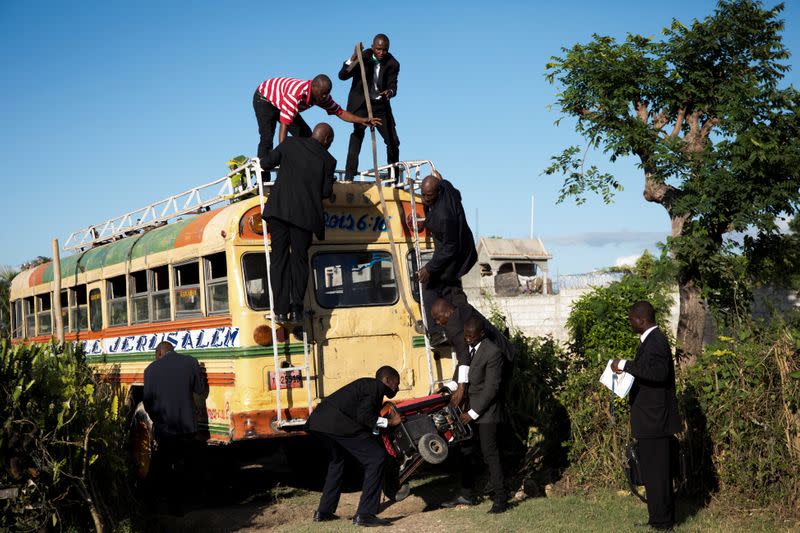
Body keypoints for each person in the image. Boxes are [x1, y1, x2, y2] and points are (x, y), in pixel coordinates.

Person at [611, 301, 682, 531]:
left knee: (659, 474)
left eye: (631, 319)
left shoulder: (656, 341)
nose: (630, 323)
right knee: (651, 473)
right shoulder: (650, 341)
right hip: (649, 420)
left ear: (641, 320)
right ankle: (656, 518)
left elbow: (659, 374)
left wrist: (626, 364)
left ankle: (663, 522)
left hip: (656, 420)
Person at [306, 366, 403, 527]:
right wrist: (389, 422)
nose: (397, 388)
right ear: (386, 380)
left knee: (337, 462)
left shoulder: (365, 386)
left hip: (319, 422)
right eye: (396, 383)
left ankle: (324, 512)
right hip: (337, 423)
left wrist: (379, 424)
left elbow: (363, 416)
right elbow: (364, 416)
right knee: (376, 457)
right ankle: (365, 514)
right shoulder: (376, 386)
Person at [261, 122, 337, 324]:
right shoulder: (329, 161)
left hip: (279, 211)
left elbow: (266, 163)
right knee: (300, 260)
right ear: (327, 140)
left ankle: (279, 310)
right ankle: (297, 309)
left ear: (314, 133)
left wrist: (264, 149)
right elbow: (325, 192)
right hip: (305, 217)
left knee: (279, 259)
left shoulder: (290, 144)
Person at [442, 316, 508, 513]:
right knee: (466, 452)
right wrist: (448, 389)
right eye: (465, 335)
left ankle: (501, 498)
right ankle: (466, 494)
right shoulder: (468, 349)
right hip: (467, 411)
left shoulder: (493, 353)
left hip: (486, 412)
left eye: (471, 336)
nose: (467, 339)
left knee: (490, 454)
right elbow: (460, 375)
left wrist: (471, 413)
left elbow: (491, 389)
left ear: (481, 334)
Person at [253, 74, 381, 169]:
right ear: (313, 87)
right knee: (267, 136)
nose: (325, 97)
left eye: (327, 93)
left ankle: (311, 168)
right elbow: (284, 126)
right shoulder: (296, 95)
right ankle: (263, 175)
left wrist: (362, 120)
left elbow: (340, 112)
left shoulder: (322, 97)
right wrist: (284, 153)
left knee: (306, 134)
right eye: (323, 93)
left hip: (282, 100)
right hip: (265, 98)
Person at [143, 341, 209, 514]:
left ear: (159, 353)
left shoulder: (150, 370)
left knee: (166, 465)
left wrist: (158, 420)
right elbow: (200, 389)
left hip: (165, 427)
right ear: (172, 350)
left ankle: (170, 506)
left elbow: (148, 403)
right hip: (188, 426)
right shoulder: (190, 362)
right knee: (187, 462)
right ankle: (192, 501)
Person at [417, 174, 478, 342]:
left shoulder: (444, 216)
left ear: (437, 192)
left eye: (429, 196)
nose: (425, 199)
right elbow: (453, 190)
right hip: (457, 249)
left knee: (429, 286)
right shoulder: (446, 188)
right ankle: (464, 321)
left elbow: (449, 248)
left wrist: (429, 268)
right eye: (422, 194)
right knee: (451, 289)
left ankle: (437, 333)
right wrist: (426, 223)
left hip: (456, 255)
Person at [429, 297, 513, 409]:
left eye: (438, 318)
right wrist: (454, 384)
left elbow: (464, 356)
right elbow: (465, 357)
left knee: (491, 403)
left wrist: (461, 388)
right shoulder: (461, 308)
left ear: (448, 312)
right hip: (505, 353)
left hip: (498, 360)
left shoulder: (453, 327)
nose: (438, 323)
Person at [338, 34, 400, 181]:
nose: (381, 53)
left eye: (384, 50)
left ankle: (394, 177)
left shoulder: (393, 63)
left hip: (380, 106)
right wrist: (354, 56)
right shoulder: (363, 57)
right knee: (358, 134)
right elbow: (342, 75)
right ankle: (349, 176)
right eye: (378, 49)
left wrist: (390, 92)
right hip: (362, 104)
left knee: (393, 141)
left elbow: (393, 85)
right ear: (373, 47)